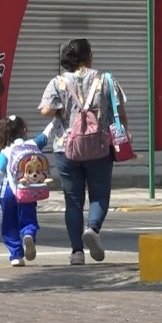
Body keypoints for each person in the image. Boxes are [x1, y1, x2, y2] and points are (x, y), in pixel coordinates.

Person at [38, 38, 129, 266]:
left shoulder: (58, 82)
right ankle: (93, 229)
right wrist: (123, 137)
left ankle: (76, 252)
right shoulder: (106, 80)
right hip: (100, 147)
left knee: (73, 201)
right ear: (89, 56)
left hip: (66, 149)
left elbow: (46, 110)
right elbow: (120, 112)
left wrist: (61, 107)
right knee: (99, 195)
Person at [0, 115, 57, 267]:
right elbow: (47, 134)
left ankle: (16, 255)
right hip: (28, 191)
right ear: (24, 131)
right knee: (28, 219)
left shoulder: (6, 151)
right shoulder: (32, 144)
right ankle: (28, 235)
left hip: (8, 192)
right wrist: (56, 119)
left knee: (9, 224)